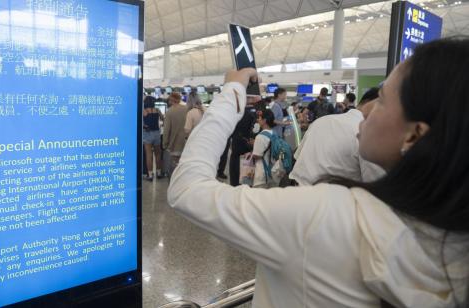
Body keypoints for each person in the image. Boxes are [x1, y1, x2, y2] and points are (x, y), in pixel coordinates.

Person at [168, 37, 469, 307]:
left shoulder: (327, 216)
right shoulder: (455, 248)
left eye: (383, 100)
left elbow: (188, 190)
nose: (366, 109)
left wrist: (230, 94)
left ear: (414, 136)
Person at [290, 87, 385, 185]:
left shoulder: (320, 121)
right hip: (334, 197)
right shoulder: (369, 133)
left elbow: (297, 157)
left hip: (297, 190)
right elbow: (375, 183)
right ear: (374, 103)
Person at [162, 92, 188, 176]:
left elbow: (166, 130)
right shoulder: (186, 109)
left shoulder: (170, 112)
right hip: (185, 143)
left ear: (171, 100)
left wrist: (165, 143)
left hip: (174, 144)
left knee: (174, 167)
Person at [251, 109, 276, 188]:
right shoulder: (274, 133)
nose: (258, 120)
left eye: (259, 118)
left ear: (264, 120)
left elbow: (257, 155)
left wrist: (252, 151)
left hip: (261, 174)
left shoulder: (260, 136)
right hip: (272, 171)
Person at [142, 96, 164, 181]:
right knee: (158, 154)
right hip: (157, 133)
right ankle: (159, 173)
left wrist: (145, 126)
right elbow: (163, 119)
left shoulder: (144, 111)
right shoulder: (157, 110)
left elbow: (141, 123)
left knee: (149, 155)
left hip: (147, 134)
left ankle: (150, 175)